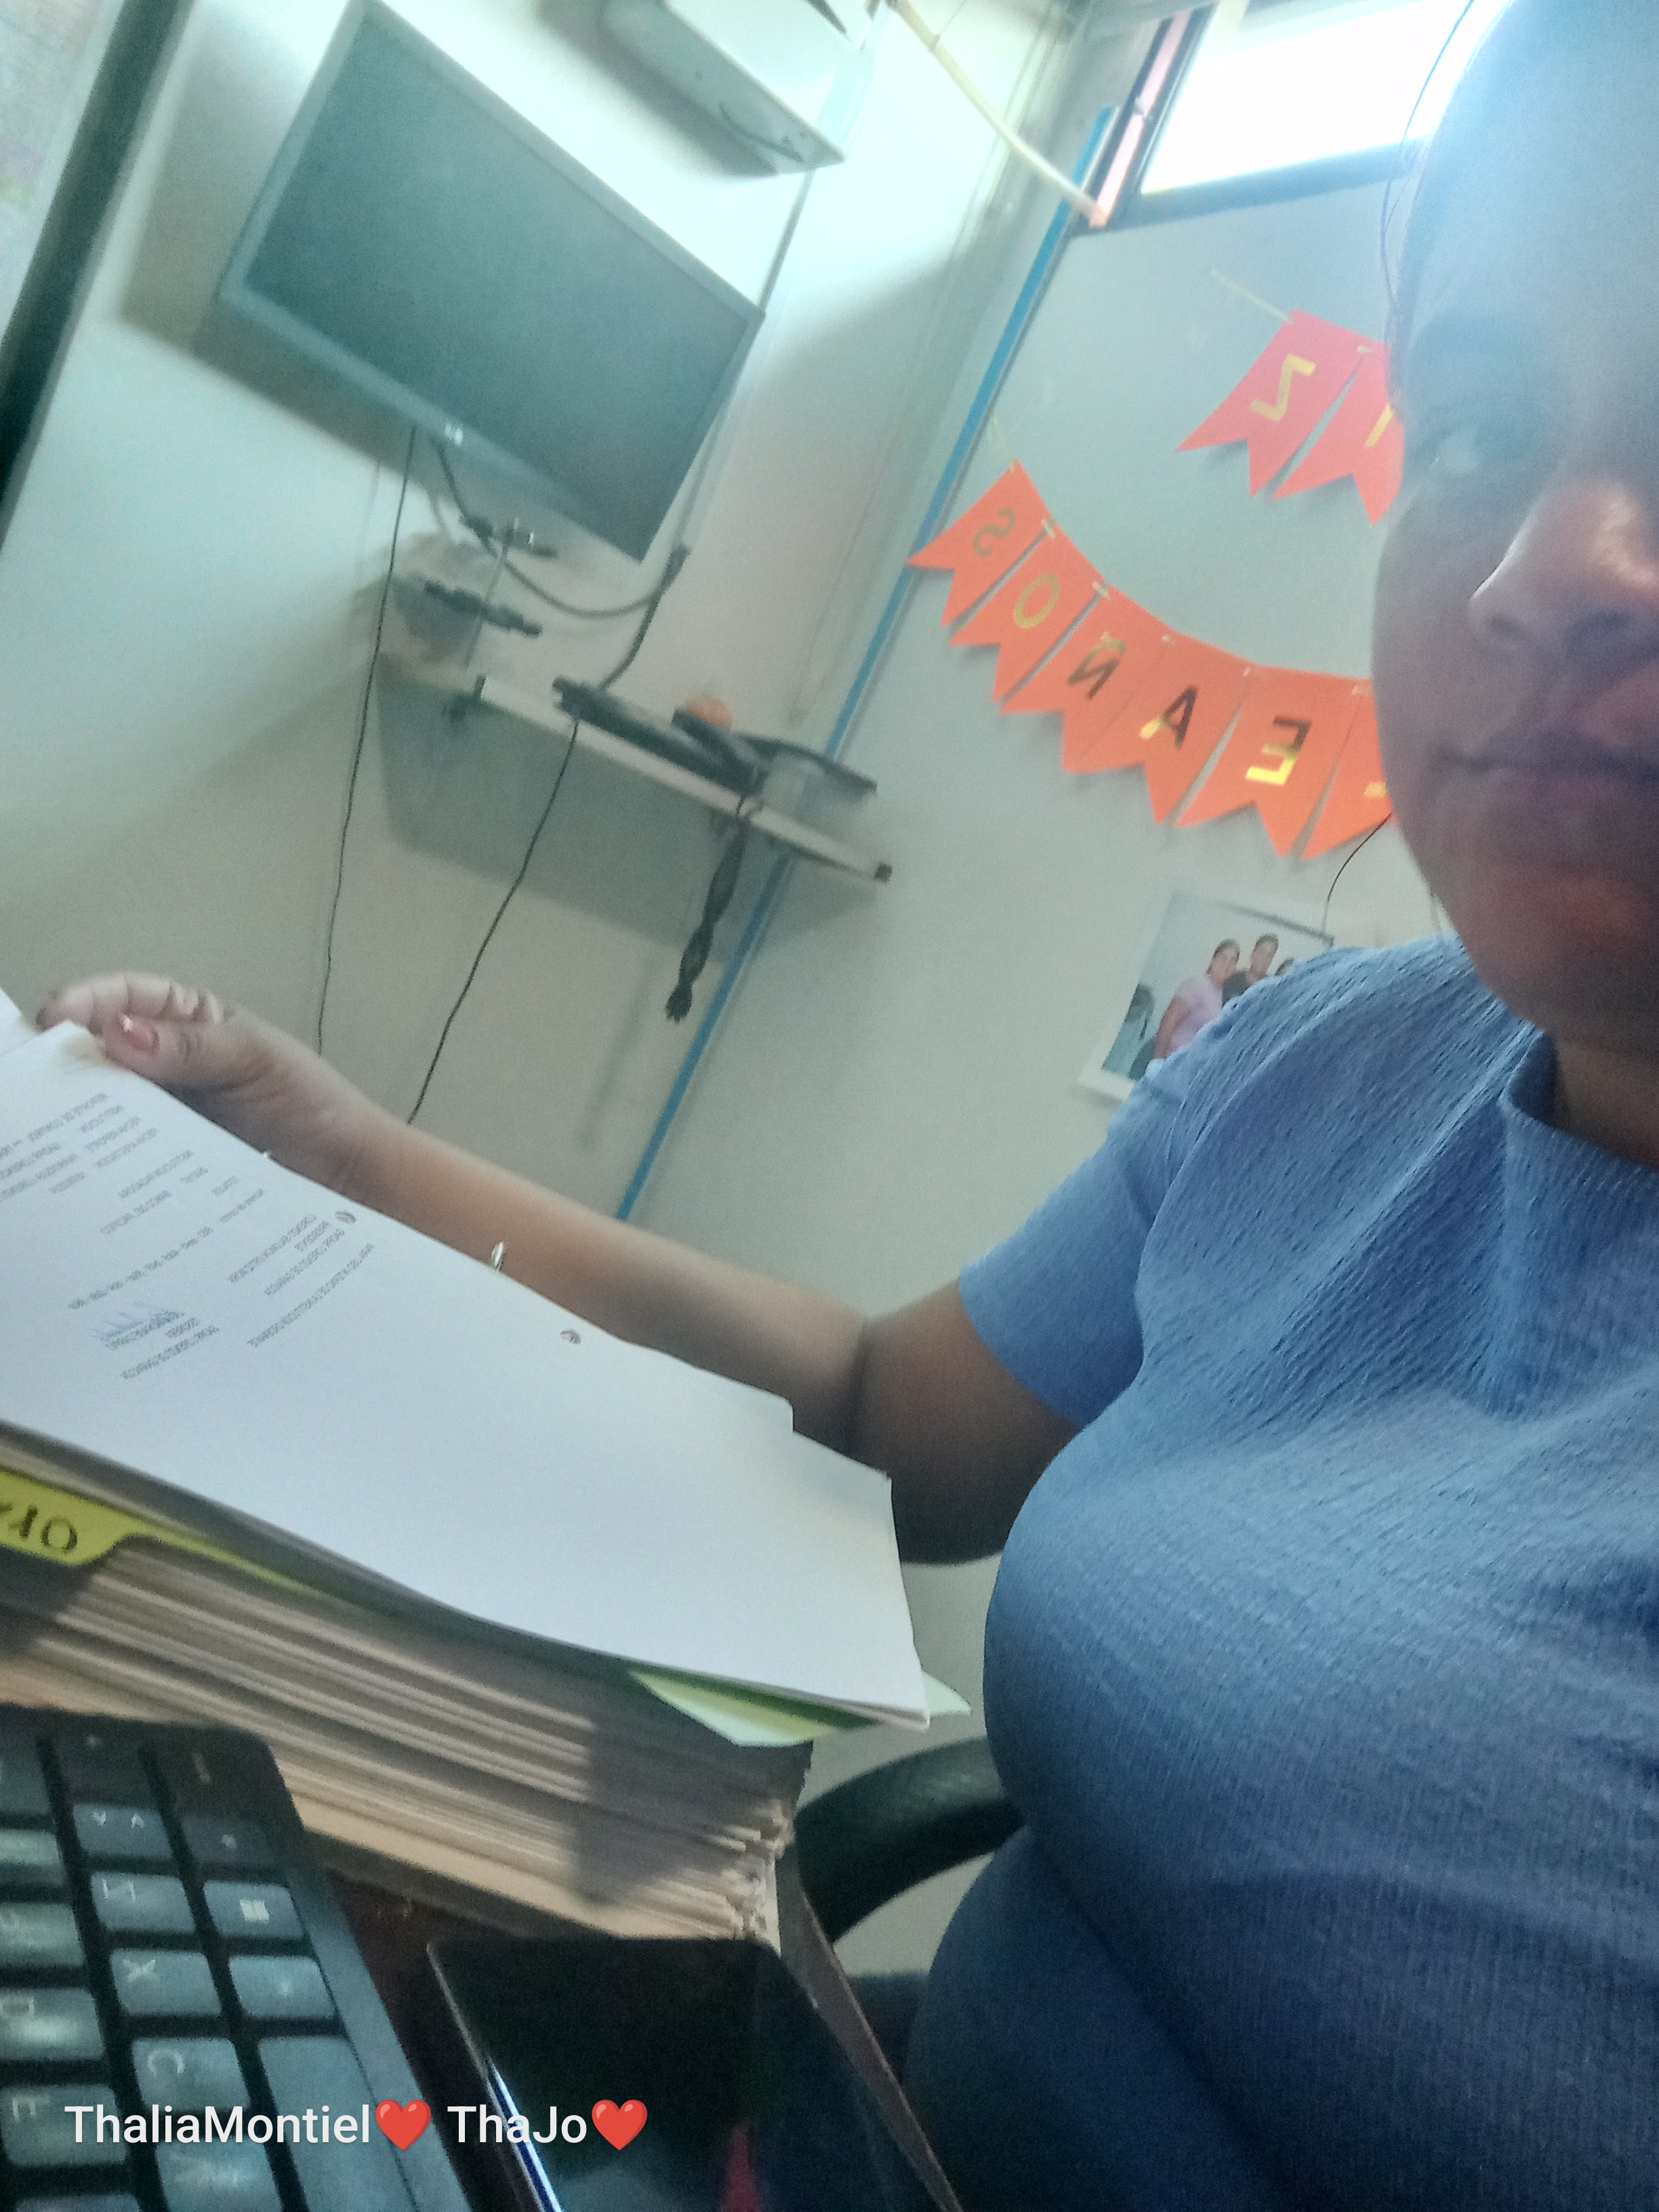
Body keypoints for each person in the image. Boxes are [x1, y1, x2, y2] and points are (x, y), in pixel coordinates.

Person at [35, 3, 1659, 2200]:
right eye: (1474, 421)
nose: (1544, 563)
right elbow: (888, 1413)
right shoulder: (1324, 1063)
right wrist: (335, 1150)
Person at [1145, 939, 1239, 1063]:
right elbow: (1169, 1020)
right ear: (1214, 960)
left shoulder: (1225, 995)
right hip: (1168, 1059)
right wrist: (1158, 1062)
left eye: (1232, 961)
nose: (1227, 964)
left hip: (1186, 1064)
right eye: (1223, 958)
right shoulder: (1198, 985)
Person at [1221, 930, 1279, 1004]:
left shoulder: (1272, 990)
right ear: (1253, 954)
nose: (1264, 959)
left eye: (1269, 955)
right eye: (1262, 953)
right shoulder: (1233, 981)